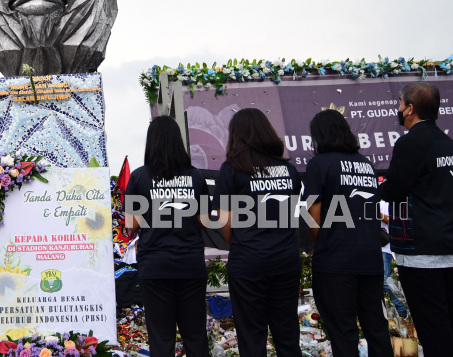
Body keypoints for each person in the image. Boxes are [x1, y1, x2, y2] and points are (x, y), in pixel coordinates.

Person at [380, 82, 453, 357]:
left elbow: (394, 189)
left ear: (410, 108)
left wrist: (375, 190)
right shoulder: (446, 141)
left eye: (400, 103)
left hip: (422, 251)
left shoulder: (411, 141)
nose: (398, 108)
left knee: (434, 326)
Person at [212, 108, 302, 357]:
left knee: (251, 336)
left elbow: (222, 219)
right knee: (287, 333)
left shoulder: (231, 169)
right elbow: (292, 215)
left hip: (248, 262)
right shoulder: (289, 170)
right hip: (285, 260)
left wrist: (241, 243)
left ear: (236, 135)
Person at [304, 109, 393, 357]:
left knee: (343, 332)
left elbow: (312, 213)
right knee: (376, 327)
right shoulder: (365, 164)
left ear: (319, 136)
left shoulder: (319, 164)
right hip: (370, 257)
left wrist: (321, 245)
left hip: (336, 261)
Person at [123, 115, 210, 357]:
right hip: (190, 264)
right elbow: (205, 222)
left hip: (155, 266)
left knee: (161, 340)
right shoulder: (196, 177)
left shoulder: (139, 177)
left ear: (151, 143)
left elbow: (131, 225)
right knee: (195, 336)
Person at [378, 201, 408, 319]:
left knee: (383, 278)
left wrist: (376, 213)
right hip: (375, 246)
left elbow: (392, 221)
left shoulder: (386, 202)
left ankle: (401, 306)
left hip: (385, 247)